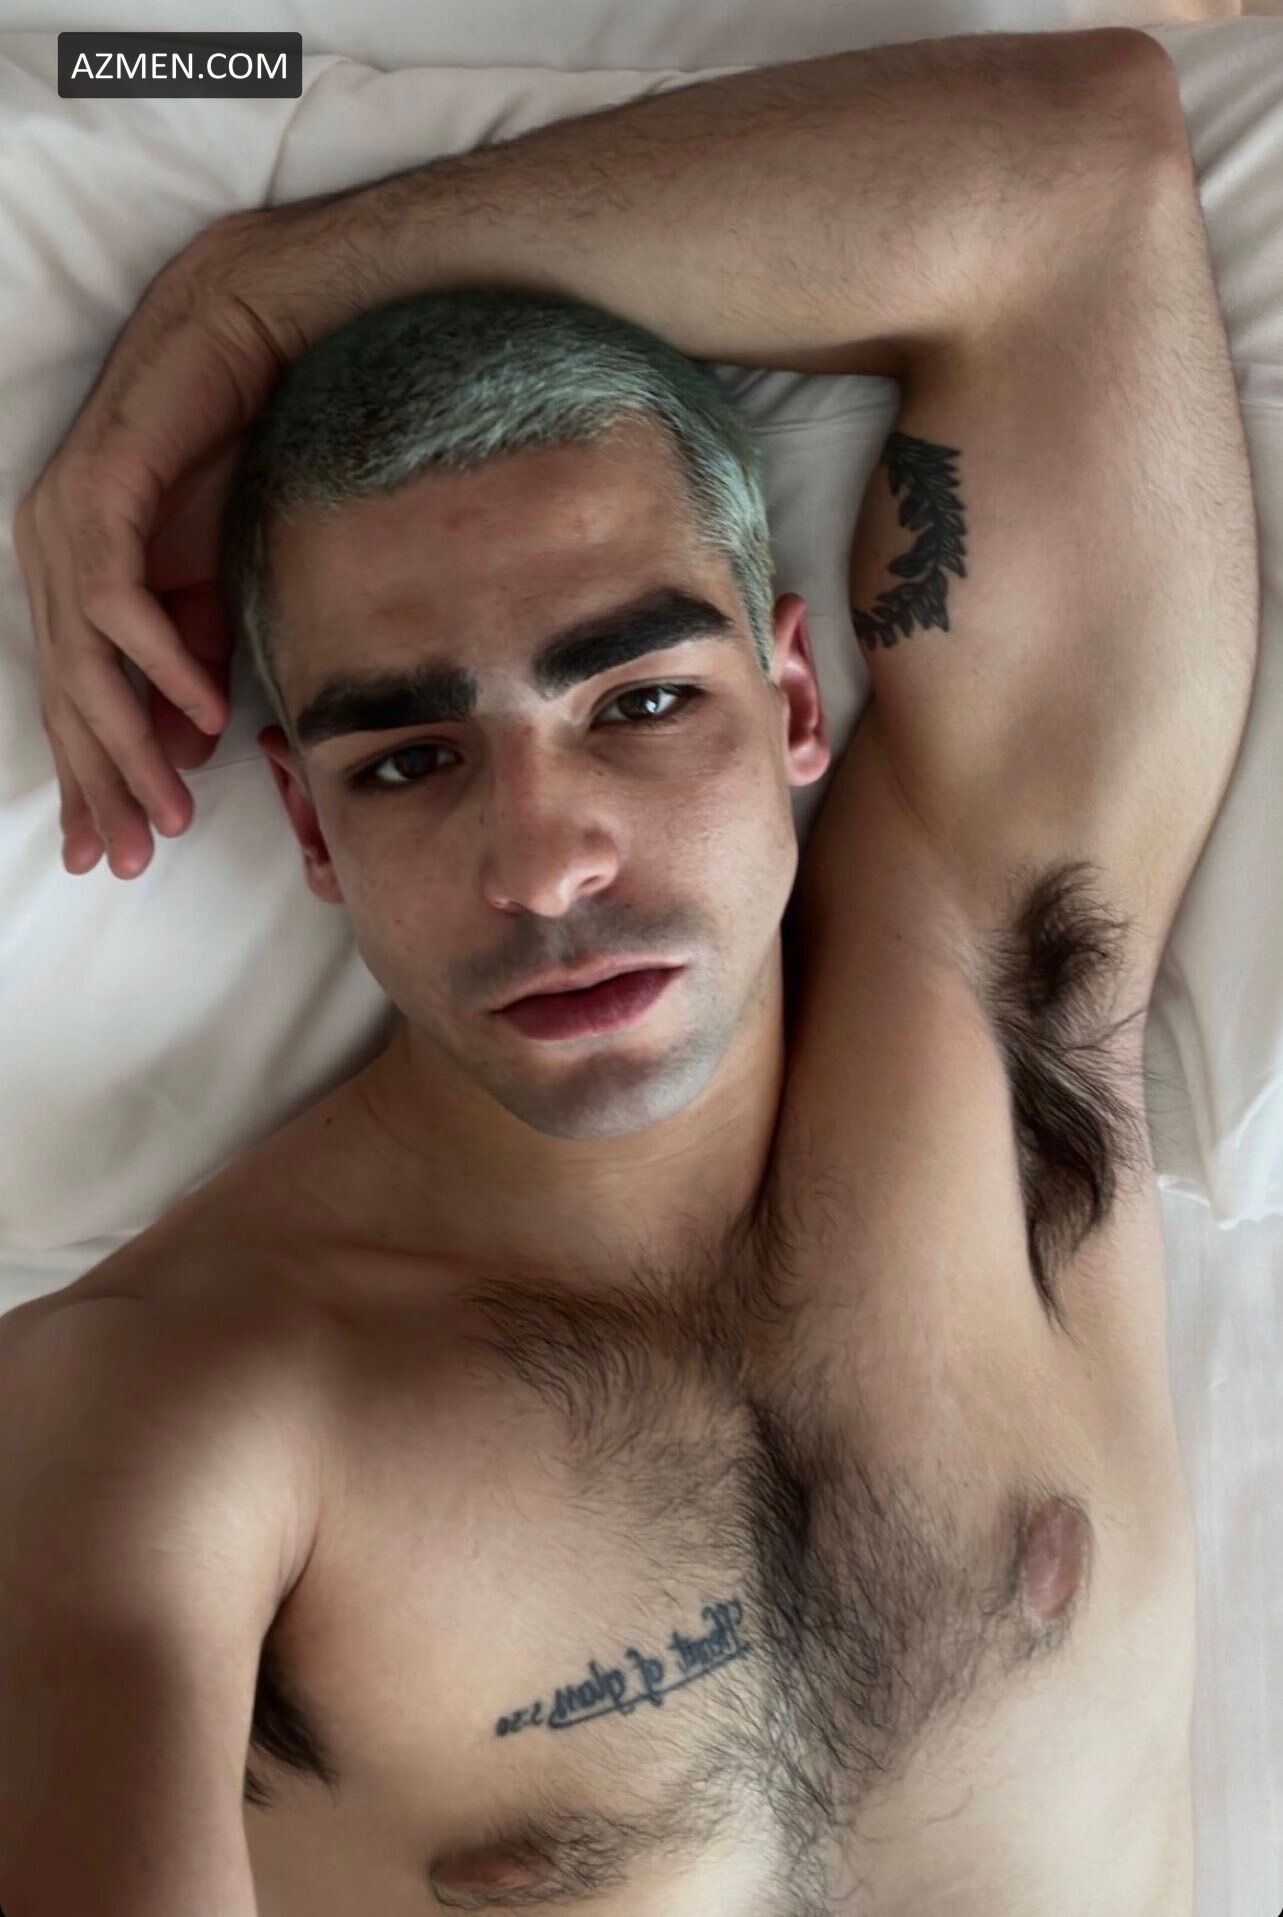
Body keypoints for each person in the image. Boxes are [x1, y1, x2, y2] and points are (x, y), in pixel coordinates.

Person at [0, 28, 1258, 1917]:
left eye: (641, 700)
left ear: (797, 697)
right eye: (409, 758)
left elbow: (1077, 171)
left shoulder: (1006, 1023)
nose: (544, 865)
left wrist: (261, 298)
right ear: (312, 829)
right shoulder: (170, 1414)